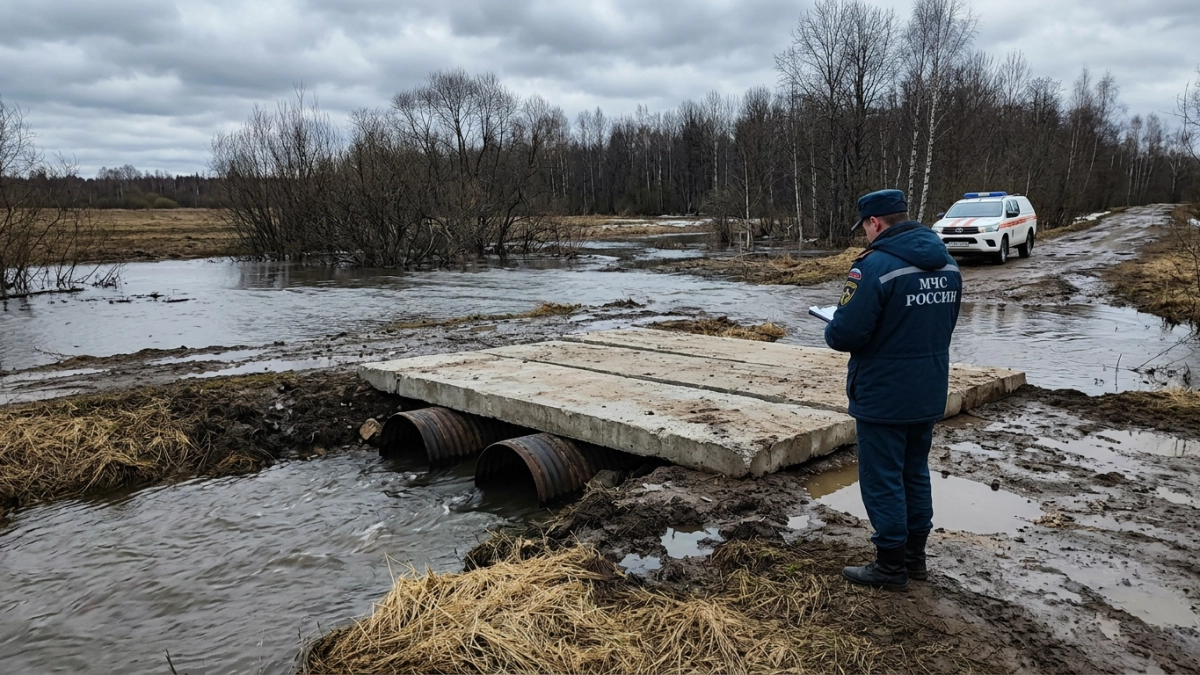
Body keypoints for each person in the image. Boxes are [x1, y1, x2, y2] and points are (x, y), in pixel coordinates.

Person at [823, 189, 962, 591]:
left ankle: (888, 567)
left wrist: (833, 324)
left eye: (865, 226)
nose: (865, 234)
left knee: (882, 477)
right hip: (929, 388)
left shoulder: (874, 267)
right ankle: (914, 560)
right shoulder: (948, 265)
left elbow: (846, 333)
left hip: (883, 392)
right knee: (914, 473)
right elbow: (944, 326)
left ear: (875, 223)